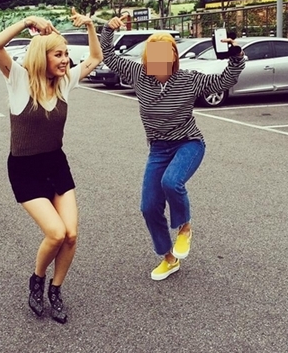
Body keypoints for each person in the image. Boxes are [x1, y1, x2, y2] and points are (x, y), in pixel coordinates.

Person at [100, 16, 245, 281]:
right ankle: (169, 259)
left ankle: (185, 227)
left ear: (173, 57)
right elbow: (108, 55)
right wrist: (108, 29)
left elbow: (224, 81)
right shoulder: (138, 75)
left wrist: (235, 57)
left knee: (171, 182)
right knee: (149, 207)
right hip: (158, 148)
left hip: (188, 143)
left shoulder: (188, 79)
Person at [0, 8, 102, 323]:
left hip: (55, 163)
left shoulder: (64, 82)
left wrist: (90, 26)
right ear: (42, 56)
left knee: (71, 234)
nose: (66, 60)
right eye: (58, 55)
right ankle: (37, 281)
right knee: (55, 233)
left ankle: (56, 289)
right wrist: (27, 22)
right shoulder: (18, 80)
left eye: (66, 54)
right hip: (25, 169)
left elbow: (95, 58)